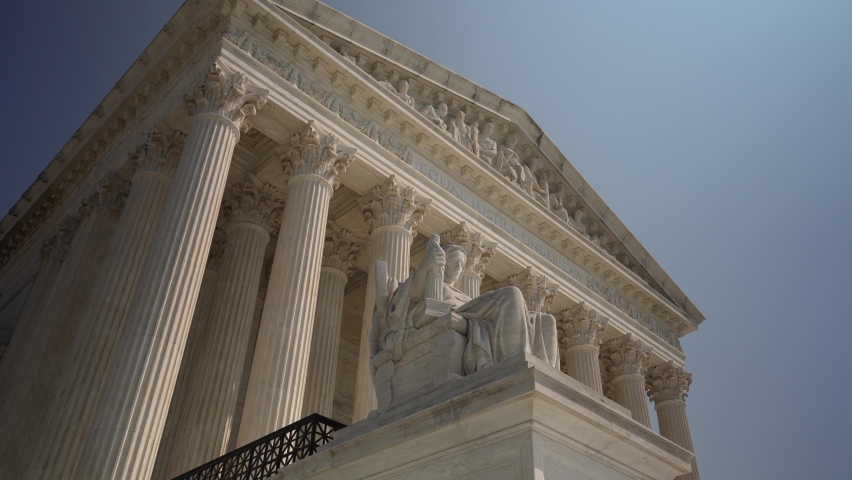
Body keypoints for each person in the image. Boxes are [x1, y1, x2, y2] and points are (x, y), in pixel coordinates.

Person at [371, 235, 558, 375]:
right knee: (512, 294)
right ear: (442, 262)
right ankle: (514, 364)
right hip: (462, 314)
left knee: (545, 320)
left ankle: (543, 376)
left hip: (474, 315)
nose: (459, 267)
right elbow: (409, 302)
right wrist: (426, 267)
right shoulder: (431, 287)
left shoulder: (463, 295)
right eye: (453, 261)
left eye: (461, 264)